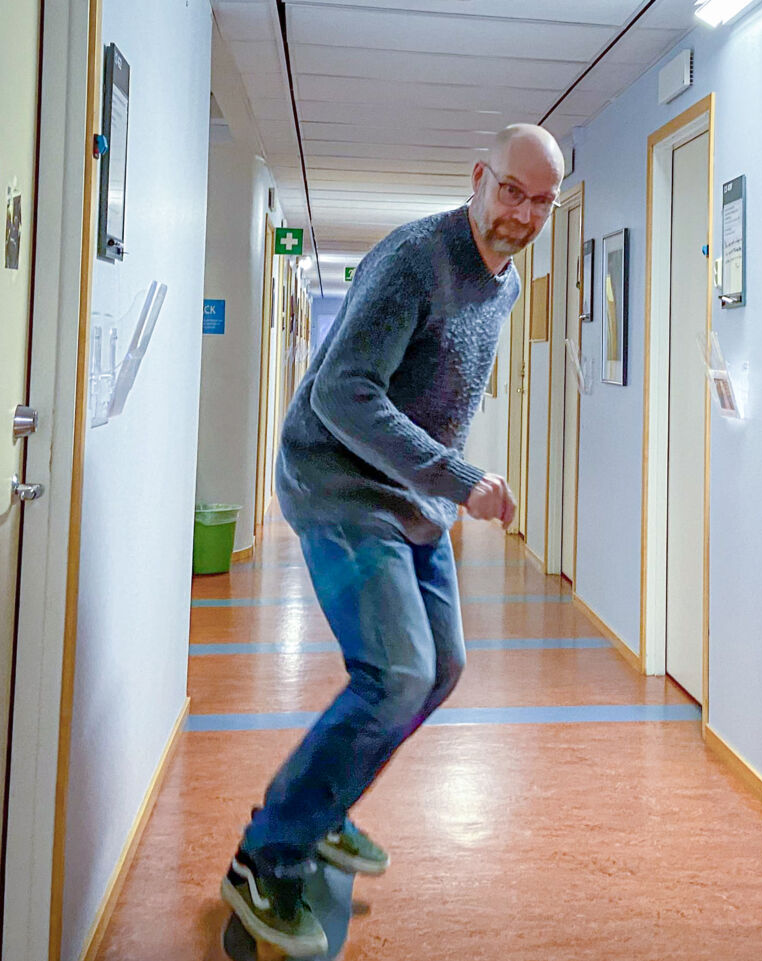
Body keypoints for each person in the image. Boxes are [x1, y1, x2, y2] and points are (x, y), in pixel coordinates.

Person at [221, 123, 565, 956]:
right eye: (512, 190)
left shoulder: (506, 285)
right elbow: (342, 394)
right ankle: (266, 856)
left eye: (543, 200)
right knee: (397, 670)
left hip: (413, 502)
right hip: (338, 486)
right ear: (480, 176)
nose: (522, 212)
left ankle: (326, 804)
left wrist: (441, 486)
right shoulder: (416, 259)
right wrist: (460, 476)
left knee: (440, 668)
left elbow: (437, 394)